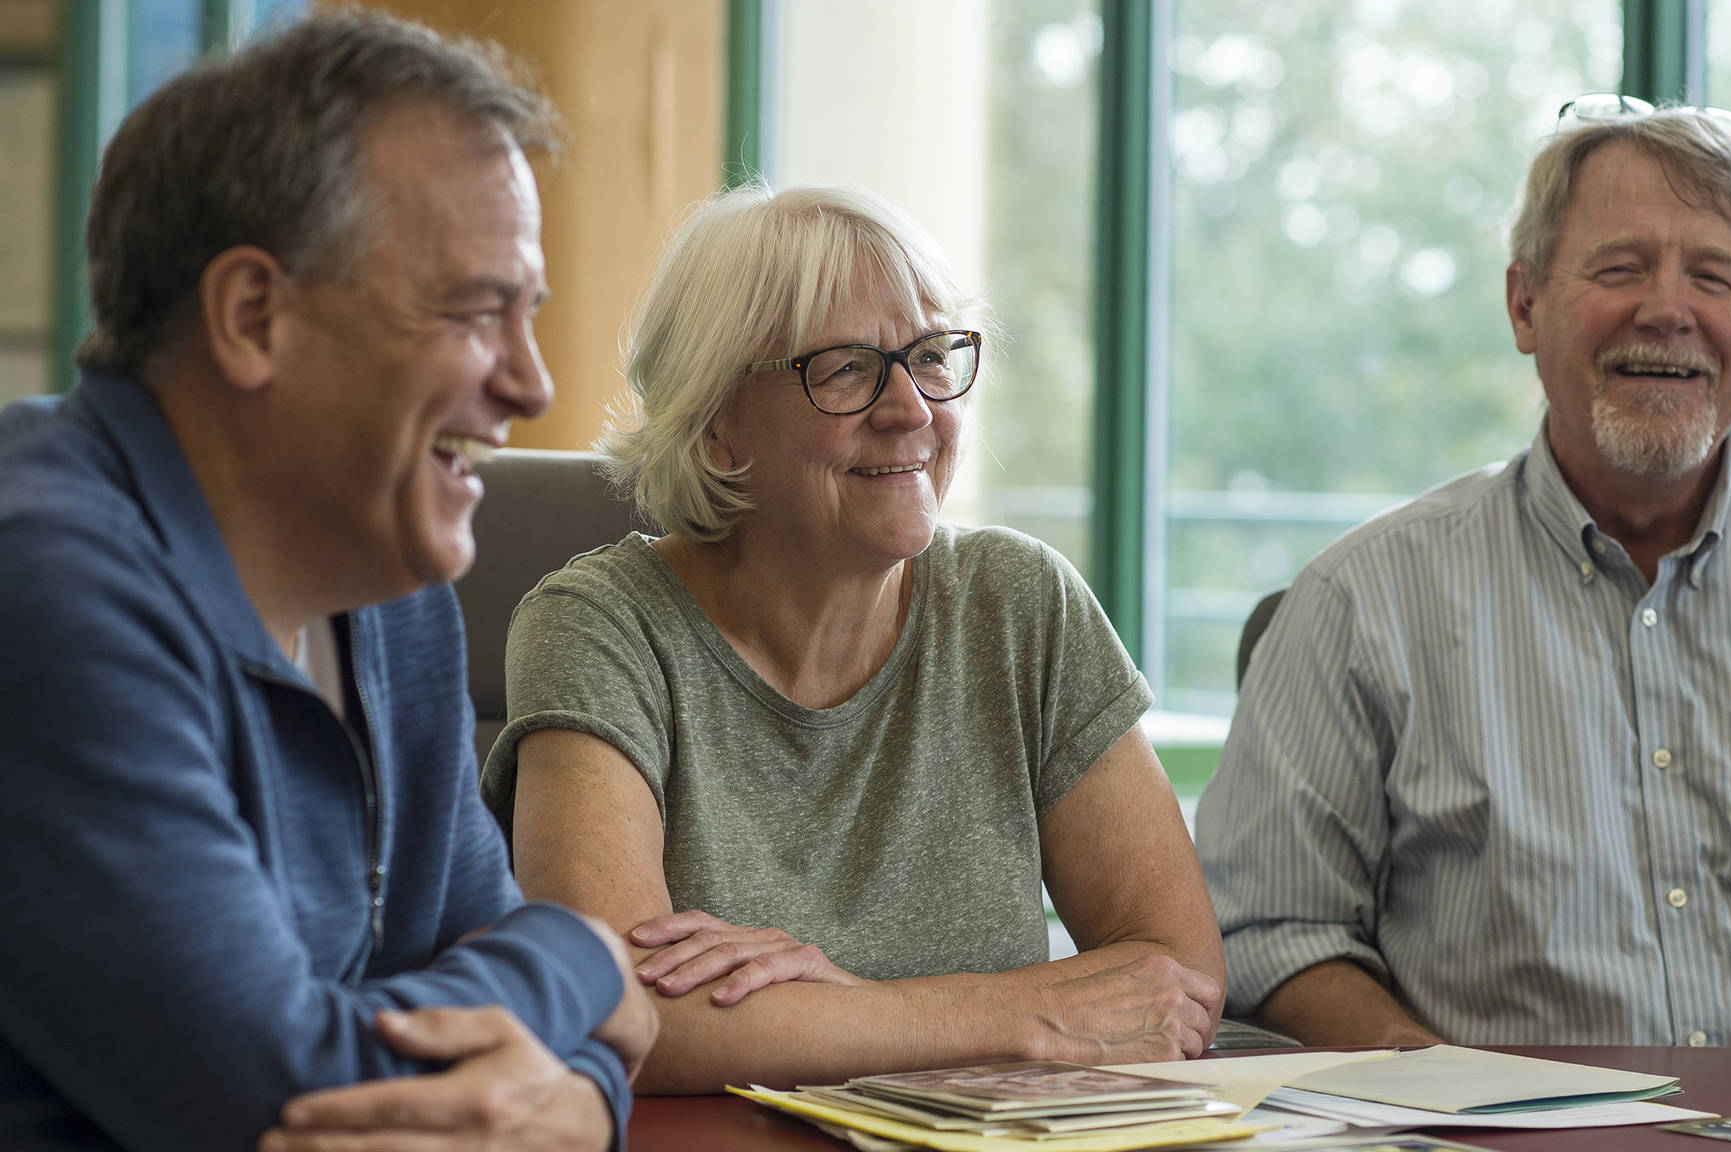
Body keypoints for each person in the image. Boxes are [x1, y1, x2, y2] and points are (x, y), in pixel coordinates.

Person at [1197, 95, 1731, 1056]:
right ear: (1525, 304)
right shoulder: (1361, 600)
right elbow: (1267, 925)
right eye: (1620, 268)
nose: (1668, 310)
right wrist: (1444, 1094)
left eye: (1714, 277)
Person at [0, 12, 656, 1150]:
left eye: (528, 313)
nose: (529, 382)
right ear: (255, 316)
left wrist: (583, 1108)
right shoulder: (42, 580)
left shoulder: (389, 589)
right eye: (473, 308)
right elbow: (281, 1095)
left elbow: (536, 1016)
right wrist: (587, 954)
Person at [481, 183, 1224, 1094]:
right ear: (717, 427)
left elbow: (1178, 979)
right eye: (844, 370)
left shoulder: (1020, 603)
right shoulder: (600, 624)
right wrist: (1011, 1015)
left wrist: (839, 1005)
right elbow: (612, 1010)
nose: (912, 409)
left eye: (930, 356)